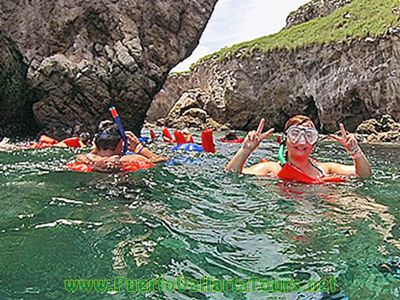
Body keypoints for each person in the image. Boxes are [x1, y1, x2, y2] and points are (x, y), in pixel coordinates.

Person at [225, 115, 372, 179]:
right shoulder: (271, 169)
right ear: (284, 139)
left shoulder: (326, 169)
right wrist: (246, 150)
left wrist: (355, 152)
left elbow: (364, 175)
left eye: (309, 135)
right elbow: (232, 175)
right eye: (295, 134)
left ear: (315, 141)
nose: (302, 142)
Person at [76, 121, 168, 172]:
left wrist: (96, 149)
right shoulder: (133, 159)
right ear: (121, 143)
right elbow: (160, 161)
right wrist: (139, 148)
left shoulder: (83, 158)